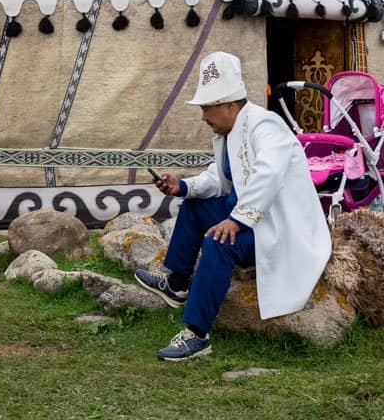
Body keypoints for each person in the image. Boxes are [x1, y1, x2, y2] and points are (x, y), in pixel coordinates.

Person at [135, 51, 331, 361]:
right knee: (195, 204)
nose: (203, 116)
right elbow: (221, 178)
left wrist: (237, 220)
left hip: (279, 228)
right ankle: (176, 284)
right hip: (254, 219)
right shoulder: (229, 133)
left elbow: (269, 174)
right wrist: (182, 186)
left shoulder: (267, 126)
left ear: (229, 105)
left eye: (207, 108)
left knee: (219, 240)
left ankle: (197, 335)